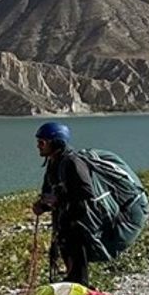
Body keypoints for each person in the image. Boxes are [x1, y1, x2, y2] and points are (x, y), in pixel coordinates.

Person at [31, 122, 96, 286]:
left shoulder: (72, 162)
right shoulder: (53, 163)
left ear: (56, 142)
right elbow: (52, 194)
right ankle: (75, 293)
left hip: (78, 224)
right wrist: (43, 206)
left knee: (79, 274)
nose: (38, 146)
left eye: (42, 142)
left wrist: (60, 200)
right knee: (70, 267)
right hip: (63, 225)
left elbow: (87, 192)